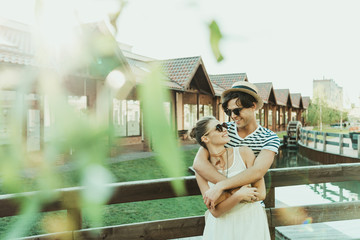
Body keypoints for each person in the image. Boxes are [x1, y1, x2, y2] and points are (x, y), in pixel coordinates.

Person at [193, 81, 280, 209]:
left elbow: (257, 171)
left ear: (253, 106)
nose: (233, 116)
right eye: (229, 112)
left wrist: (221, 186)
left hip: (251, 204)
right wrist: (235, 191)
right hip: (225, 205)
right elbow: (198, 163)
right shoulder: (222, 131)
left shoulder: (269, 138)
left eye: (237, 110)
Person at [190, 116, 270, 240]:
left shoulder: (244, 153)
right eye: (218, 128)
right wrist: (239, 194)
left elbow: (260, 193)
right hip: (222, 228)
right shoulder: (201, 171)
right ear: (205, 138)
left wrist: (221, 195)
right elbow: (215, 212)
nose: (224, 129)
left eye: (224, 126)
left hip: (251, 222)